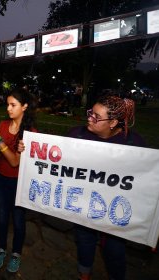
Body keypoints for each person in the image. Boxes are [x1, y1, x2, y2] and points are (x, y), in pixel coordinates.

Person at [67, 94, 145, 280]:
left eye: (96, 116)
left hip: (116, 211)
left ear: (113, 123)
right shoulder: (76, 135)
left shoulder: (134, 145)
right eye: (90, 113)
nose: (89, 118)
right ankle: (84, 274)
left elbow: (145, 183)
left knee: (114, 249)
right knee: (84, 241)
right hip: (84, 205)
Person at [0, 88, 37, 273]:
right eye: (7, 104)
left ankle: (16, 253)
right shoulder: (5, 125)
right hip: (2, 179)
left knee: (19, 219)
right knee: (2, 217)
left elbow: (15, 162)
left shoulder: (30, 133)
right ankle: (1, 249)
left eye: (13, 105)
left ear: (24, 107)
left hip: (19, 182)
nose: (8, 108)